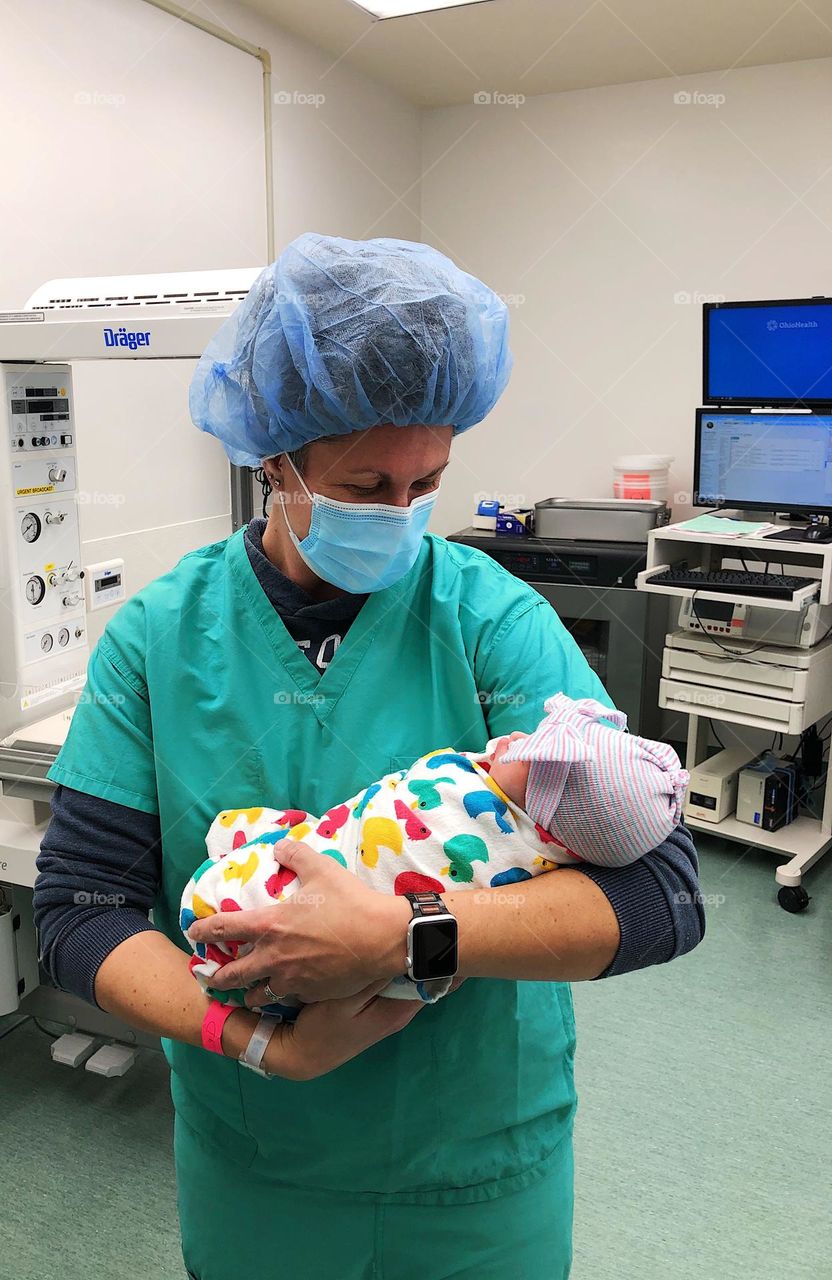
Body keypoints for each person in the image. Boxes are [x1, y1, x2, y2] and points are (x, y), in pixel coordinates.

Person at [33, 232, 704, 1280]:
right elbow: (79, 912)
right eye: (366, 481)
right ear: (276, 461)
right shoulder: (159, 637)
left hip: (476, 1166)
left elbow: (664, 891)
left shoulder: (489, 621)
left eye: (425, 480)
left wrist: (410, 936)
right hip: (258, 1164)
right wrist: (259, 1041)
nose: (400, 514)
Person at [180, 691, 690, 1017]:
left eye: (528, 752)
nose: (513, 737)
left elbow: (670, 903)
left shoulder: (513, 846)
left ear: (552, 829)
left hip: (461, 1101)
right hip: (330, 841)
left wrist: (392, 937)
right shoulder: (521, 788)